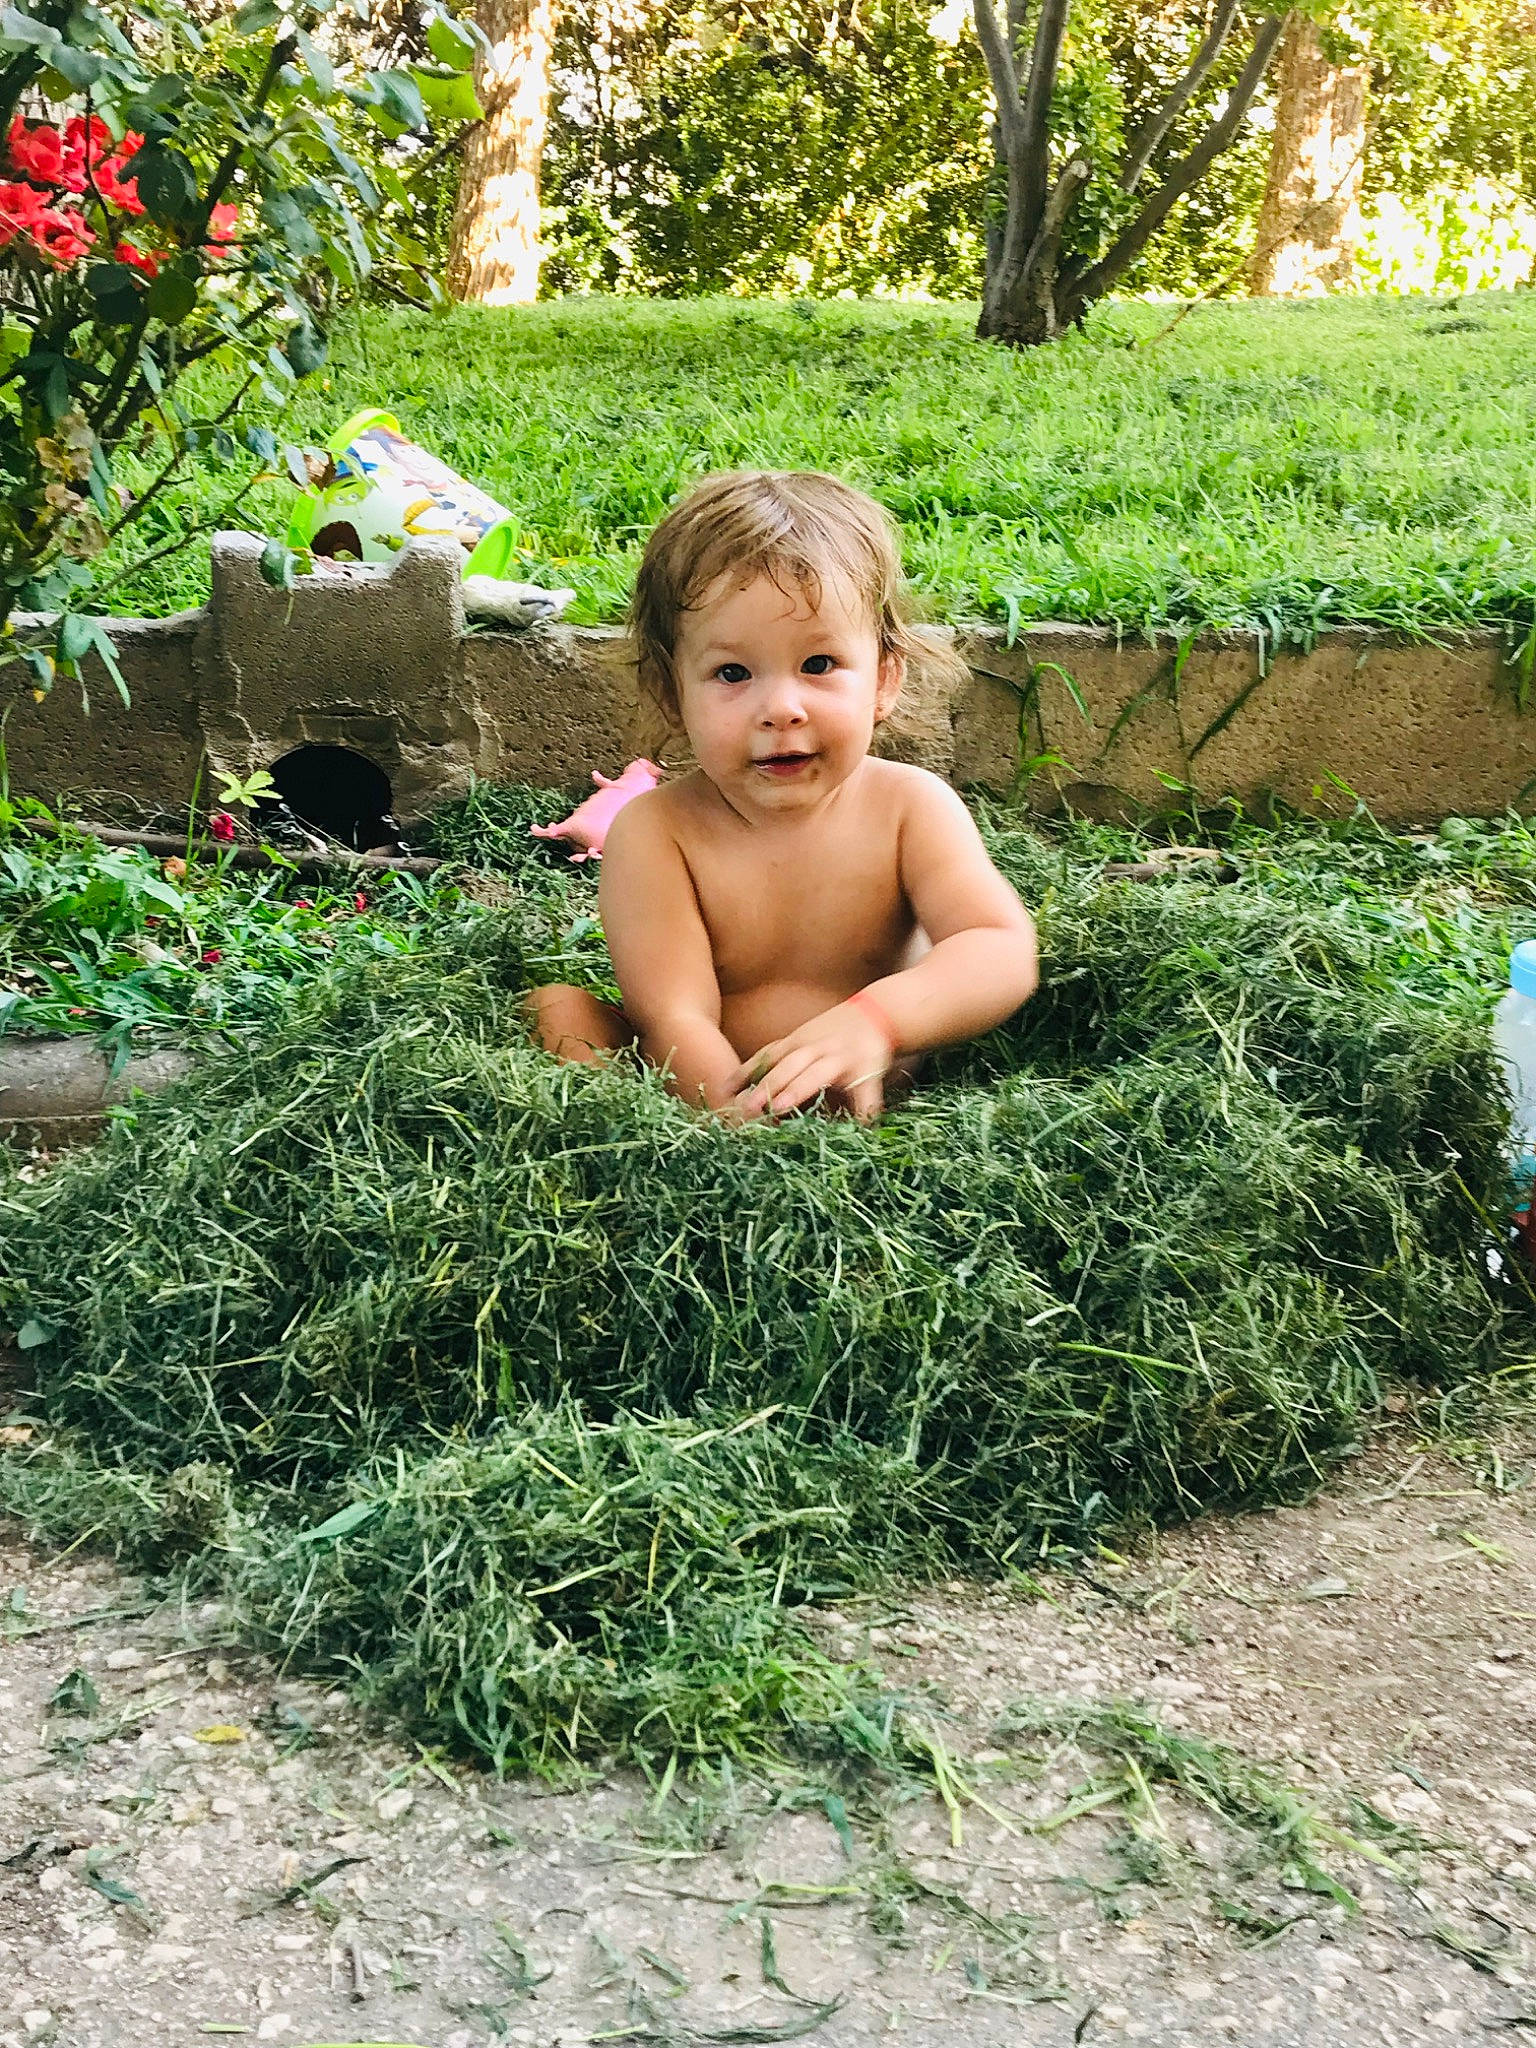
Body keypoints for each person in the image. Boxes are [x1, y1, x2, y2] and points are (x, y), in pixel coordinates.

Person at [528, 469, 1039, 1120]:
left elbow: (998, 945)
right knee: (557, 1011)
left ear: (883, 679)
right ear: (670, 693)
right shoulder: (659, 833)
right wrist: (741, 1128)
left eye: (818, 665)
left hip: (875, 1095)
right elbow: (674, 1018)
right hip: (709, 1092)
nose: (782, 708)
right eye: (733, 673)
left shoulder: (911, 808)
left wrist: (875, 1024)